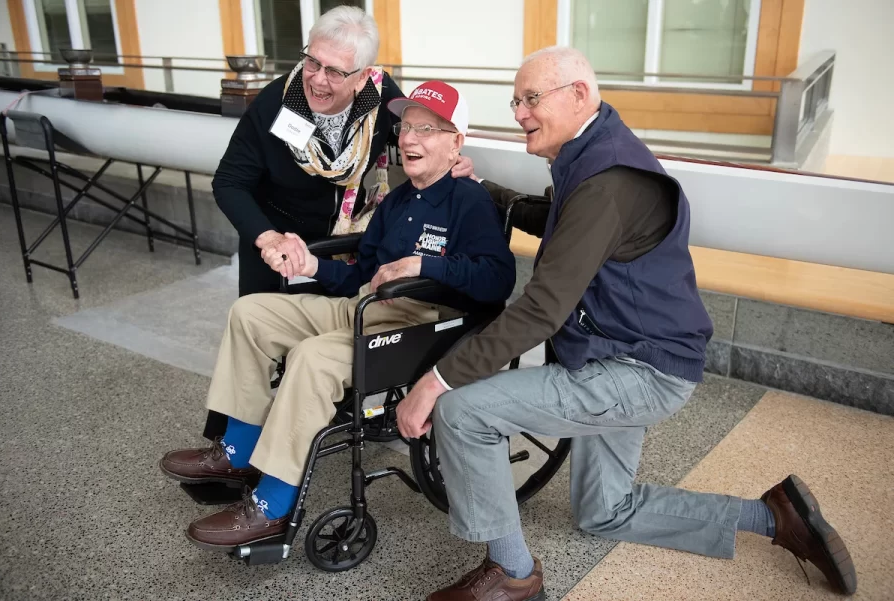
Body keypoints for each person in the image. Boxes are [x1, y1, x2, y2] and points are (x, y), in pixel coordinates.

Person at [396, 47, 857, 601]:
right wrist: (496, 197)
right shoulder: (593, 152)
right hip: (633, 352)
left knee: (463, 409)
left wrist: (436, 380)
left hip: (638, 369)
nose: (518, 112)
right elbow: (571, 225)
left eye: (531, 98)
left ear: (579, 95)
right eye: (515, 99)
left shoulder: (606, 180)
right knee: (604, 513)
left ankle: (514, 576)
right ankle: (775, 518)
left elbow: (543, 309)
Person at [160, 81, 517, 552]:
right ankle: (238, 450)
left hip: (426, 322)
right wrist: (313, 267)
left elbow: (498, 281)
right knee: (251, 312)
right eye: (406, 127)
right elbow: (360, 279)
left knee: (312, 357)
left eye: (427, 129)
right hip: (366, 306)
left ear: (456, 143)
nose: (409, 139)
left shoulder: (468, 201)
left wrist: (422, 265)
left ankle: (273, 505)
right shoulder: (396, 201)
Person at [204, 5, 465, 440]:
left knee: (332, 343)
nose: (318, 79)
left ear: (364, 75)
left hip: (345, 238)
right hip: (277, 234)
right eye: (313, 62)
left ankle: (308, 430)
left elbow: (422, 136)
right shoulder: (277, 101)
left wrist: (453, 159)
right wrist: (267, 237)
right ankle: (230, 445)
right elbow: (229, 181)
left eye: (335, 71)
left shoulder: (380, 98)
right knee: (252, 332)